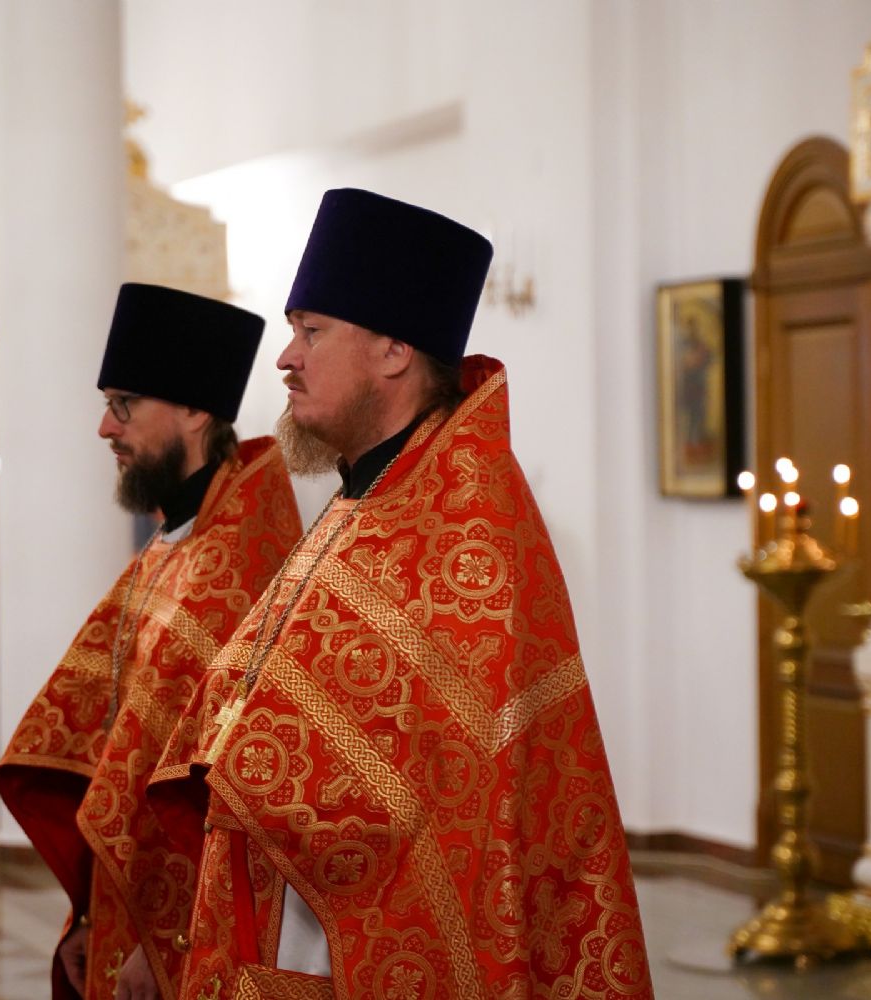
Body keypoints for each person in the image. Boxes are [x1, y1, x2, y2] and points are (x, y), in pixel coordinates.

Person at [147, 189, 654, 1000]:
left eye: (311, 331)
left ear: (391, 351)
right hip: (278, 934)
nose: (285, 358)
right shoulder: (364, 498)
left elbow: (449, 793)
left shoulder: (466, 528)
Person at [0, 284, 302, 1000]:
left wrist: (164, 939)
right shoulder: (172, 545)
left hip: (183, 928)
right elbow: (106, 739)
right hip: (127, 906)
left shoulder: (238, 560)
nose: (105, 426)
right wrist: (88, 914)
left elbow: (215, 783)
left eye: (125, 404)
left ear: (194, 411)